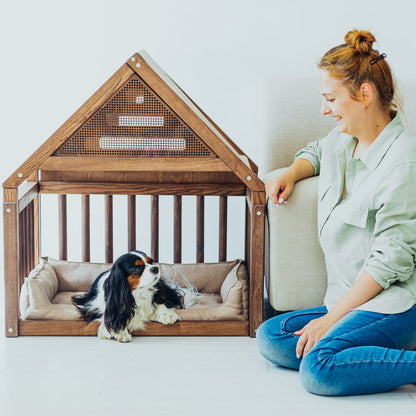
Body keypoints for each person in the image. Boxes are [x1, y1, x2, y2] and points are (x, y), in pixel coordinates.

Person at [256, 29, 416, 396]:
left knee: (318, 369)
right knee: (271, 336)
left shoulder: (403, 163)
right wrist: (292, 173)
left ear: (364, 94)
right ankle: (365, 354)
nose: (323, 109)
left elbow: (390, 263)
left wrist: (329, 320)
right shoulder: (343, 141)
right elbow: (315, 151)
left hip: (393, 305)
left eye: (330, 98)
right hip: (344, 302)